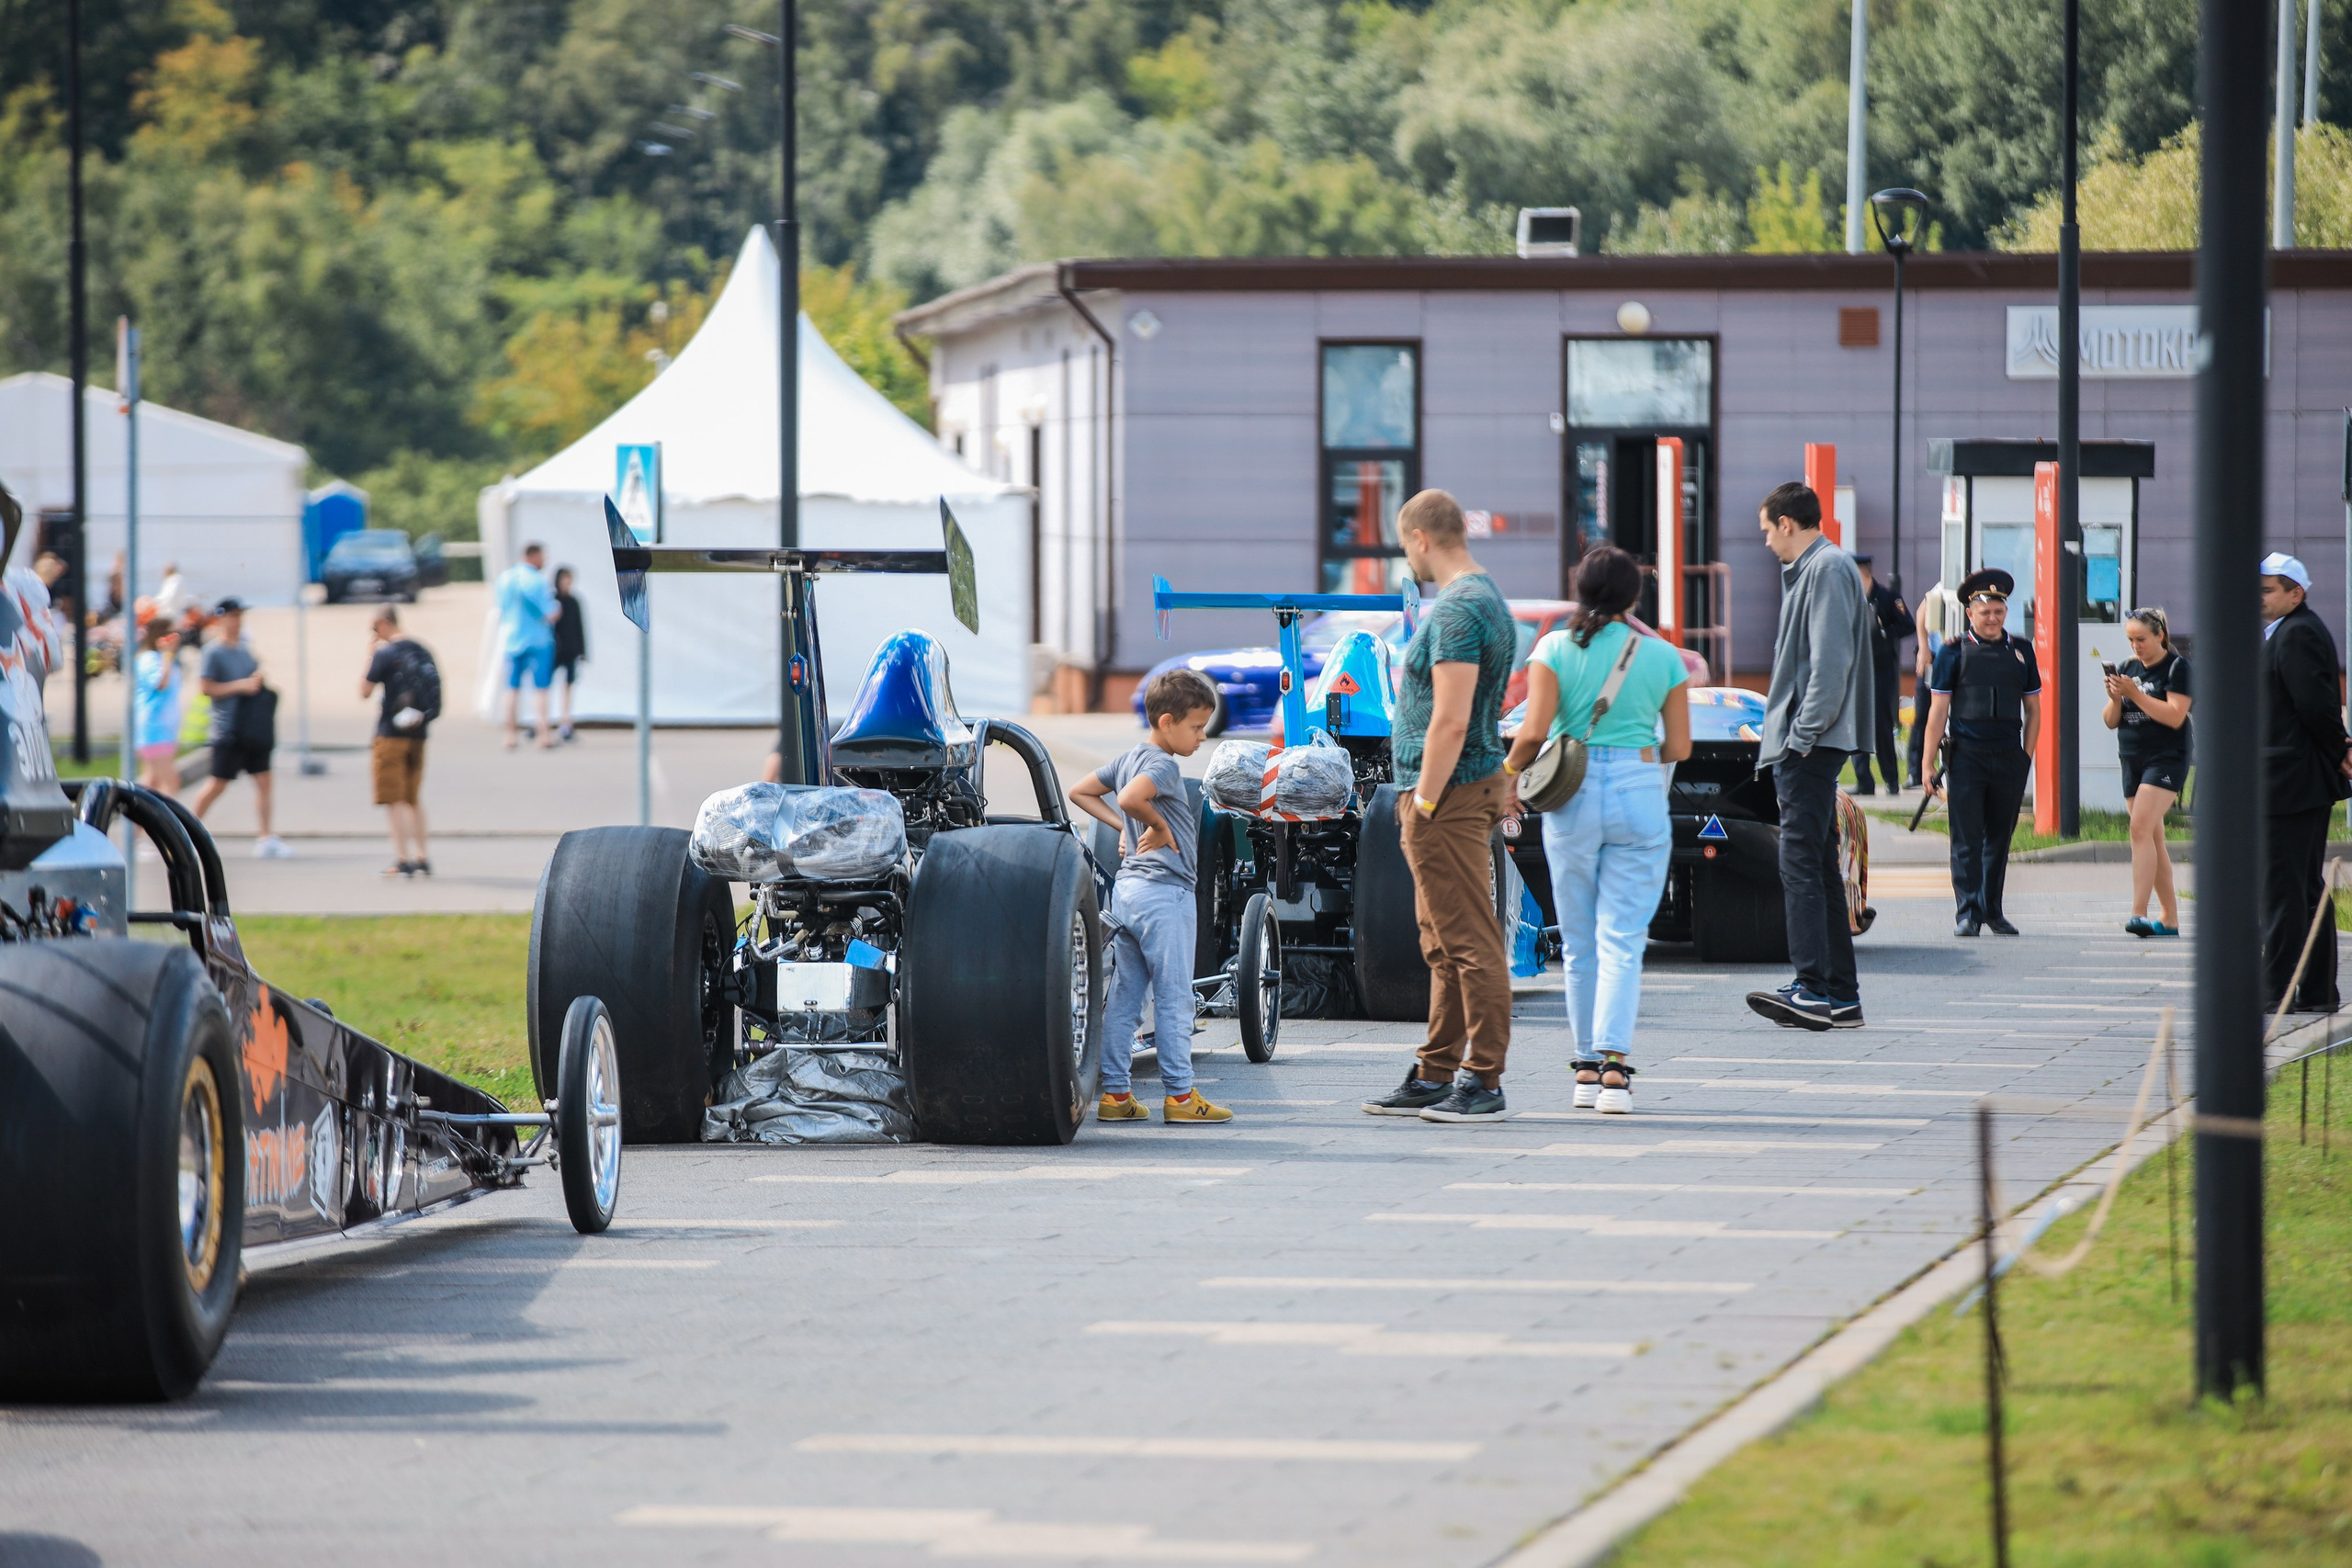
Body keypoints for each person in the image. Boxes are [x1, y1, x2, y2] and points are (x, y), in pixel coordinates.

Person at [1501, 545, 1690, 1113]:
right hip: (1637, 790)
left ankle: (1585, 1069)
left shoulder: (1553, 648)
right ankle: (1614, 1068)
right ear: (1634, 596)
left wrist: (1509, 778)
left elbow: (1533, 732)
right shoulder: (1663, 658)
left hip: (1573, 794)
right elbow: (1678, 746)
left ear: (1579, 592)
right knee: (1624, 940)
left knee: (1579, 943)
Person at [1360, 489, 1521, 1122]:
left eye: (1406, 546)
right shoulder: (1488, 599)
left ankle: (1483, 1080)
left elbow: (1451, 719)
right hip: (1462, 787)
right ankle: (1436, 1069)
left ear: (1423, 537)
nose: (1409, 558)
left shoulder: (1458, 610)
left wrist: (1423, 798)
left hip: (1447, 794)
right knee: (1443, 940)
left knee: (1470, 941)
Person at [1069, 667, 1231, 1123]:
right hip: (1166, 895)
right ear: (1166, 722)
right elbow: (1131, 799)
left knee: (1124, 997)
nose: (1202, 737)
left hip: (1128, 893)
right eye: (1196, 727)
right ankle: (1181, 1097)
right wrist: (1154, 826)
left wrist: (1126, 830)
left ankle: (1116, 1095)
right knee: (1175, 997)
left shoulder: (1127, 759)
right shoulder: (1162, 764)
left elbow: (1081, 791)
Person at [1745, 481, 1872, 1032]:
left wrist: (1799, 737)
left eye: (1768, 530)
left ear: (1788, 523)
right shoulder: (1824, 569)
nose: (1767, 542)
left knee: (1797, 864)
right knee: (1819, 867)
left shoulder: (1824, 570)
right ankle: (1840, 997)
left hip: (1811, 746)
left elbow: (1830, 666)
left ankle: (1811, 988)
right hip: (1814, 743)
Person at [1916, 570, 2040, 939]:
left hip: (2008, 757)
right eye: (1985, 611)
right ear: (1970, 612)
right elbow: (1937, 712)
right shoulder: (1952, 652)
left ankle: (1993, 911)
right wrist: (1927, 763)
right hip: (1966, 757)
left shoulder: (2021, 651)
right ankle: (1967, 913)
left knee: (1999, 838)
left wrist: (2025, 758)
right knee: (1967, 838)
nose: (1992, 618)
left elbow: (2033, 710)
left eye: (1999, 610)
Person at [2258, 552, 2352, 1013]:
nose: (2259, 598)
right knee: (2302, 888)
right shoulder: (2287, 631)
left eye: (2267, 590)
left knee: (2285, 889)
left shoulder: (2298, 634)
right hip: (2289, 780)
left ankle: (2276, 989)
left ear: (2297, 593)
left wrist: (2342, 750)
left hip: (2292, 782)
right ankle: (2316, 992)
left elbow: (2317, 706)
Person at [2101, 607, 2192, 937]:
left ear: (2160, 636)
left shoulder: (2178, 667)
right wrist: (2115, 697)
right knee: (2151, 837)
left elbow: (2174, 716)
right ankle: (2169, 918)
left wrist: (2135, 694)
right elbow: (2112, 720)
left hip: (2166, 757)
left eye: (2141, 639)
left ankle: (2138, 913)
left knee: (2138, 828)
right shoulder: (2127, 668)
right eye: (2130, 639)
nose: (2136, 646)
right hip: (2132, 758)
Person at [190, 597, 291, 858]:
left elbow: (253, 675)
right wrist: (239, 686)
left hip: (252, 725)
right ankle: (187, 830)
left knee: (264, 780)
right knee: (217, 783)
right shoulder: (214, 652)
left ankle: (266, 837)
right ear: (221, 619)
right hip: (228, 728)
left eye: (239, 617)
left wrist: (256, 680)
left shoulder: (244, 648)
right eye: (232, 616)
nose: (237, 622)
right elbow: (206, 687)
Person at [361, 608, 440, 878]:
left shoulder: (385, 653)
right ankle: (423, 856)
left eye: (374, 628)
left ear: (384, 623)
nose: (375, 634)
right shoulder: (422, 649)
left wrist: (371, 654)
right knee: (413, 797)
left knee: (394, 799)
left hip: (390, 734)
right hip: (418, 732)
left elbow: (364, 690)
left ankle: (402, 858)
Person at [1849, 553, 1914, 795]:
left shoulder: (1887, 596)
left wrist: (1885, 632)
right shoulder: (1850, 597)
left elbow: (1908, 624)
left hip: (1881, 668)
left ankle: (1891, 779)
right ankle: (1863, 781)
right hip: (1856, 669)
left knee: (1881, 724)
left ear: (1864, 571)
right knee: (1857, 724)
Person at [494, 542, 560, 750]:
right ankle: (543, 734)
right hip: (538, 639)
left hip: (513, 639)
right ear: (534, 556)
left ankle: (510, 734)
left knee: (511, 688)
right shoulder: (537, 581)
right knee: (541, 688)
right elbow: (550, 613)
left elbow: (501, 608)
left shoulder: (505, 579)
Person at [1905, 577, 1962, 789]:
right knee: (1922, 714)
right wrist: (1923, 648)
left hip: (1955, 660)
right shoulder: (1946, 580)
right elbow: (1922, 613)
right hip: (1934, 657)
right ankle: (1915, 772)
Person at [131, 614, 183, 796]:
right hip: (154, 728)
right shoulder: (149, 659)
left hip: (165, 729)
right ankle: (166, 824)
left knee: (151, 782)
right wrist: (167, 653)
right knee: (170, 782)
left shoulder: (165, 659)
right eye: (171, 633)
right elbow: (161, 683)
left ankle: (139, 825)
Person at [551, 566, 586, 743]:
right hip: (555, 650)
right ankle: (543, 719)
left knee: (568, 686)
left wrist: (582, 651)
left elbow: (580, 627)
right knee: (545, 685)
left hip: (571, 649)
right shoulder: (553, 600)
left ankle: (565, 721)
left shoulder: (573, 601)